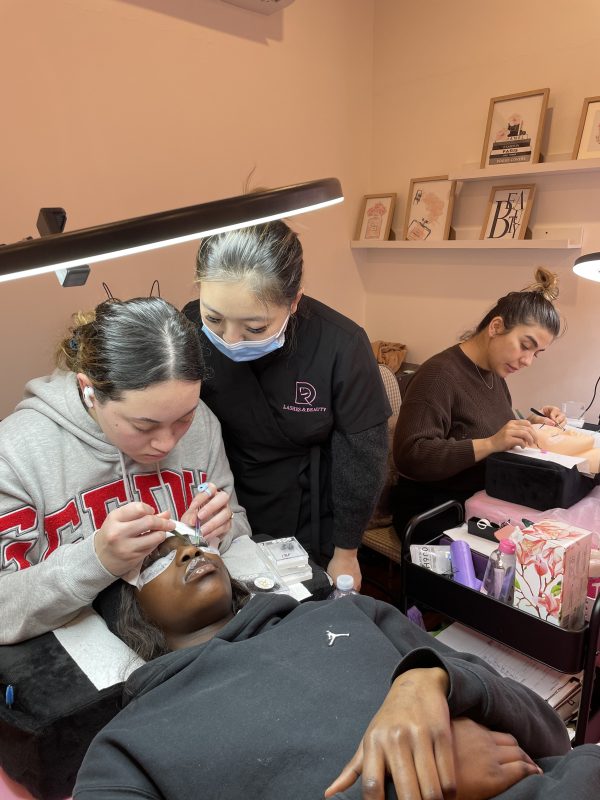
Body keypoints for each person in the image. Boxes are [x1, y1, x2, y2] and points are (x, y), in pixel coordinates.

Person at [74, 533, 600, 800]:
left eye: (193, 542)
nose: (190, 553)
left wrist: (435, 680)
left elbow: (551, 733)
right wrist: (405, 788)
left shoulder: (347, 612)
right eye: (158, 560)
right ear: (129, 611)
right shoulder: (126, 746)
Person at [0, 297, 250, 645]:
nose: (166, 443)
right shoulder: (14, 456)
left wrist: (221, 530)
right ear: (89, 391)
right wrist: (97, 560)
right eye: (144, 426)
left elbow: (238, 524)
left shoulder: (203, 422)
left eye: (183, 419)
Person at [182, 220, 391, 589]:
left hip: (309, 513)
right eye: (214, 318)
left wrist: (346, 552)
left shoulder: (340, 345)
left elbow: (362, 459)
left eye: (254, 327)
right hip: (221, 506)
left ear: (294, 301)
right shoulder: (188, 327)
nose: (230, 340)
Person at [392, 268, 567, 540]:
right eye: (525, 345)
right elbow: (410, 456)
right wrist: (491, 443)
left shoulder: (493, 374)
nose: (527, 361)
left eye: (536, 353)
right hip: (435, 511)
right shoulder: (439, 375)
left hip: (479, 502)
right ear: (496, 327)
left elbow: (483, 425)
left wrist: (532, 425)